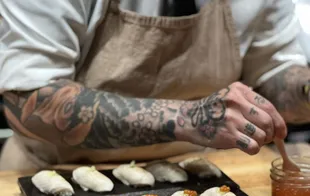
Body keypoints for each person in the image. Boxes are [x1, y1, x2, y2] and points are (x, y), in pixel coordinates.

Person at [0, 0, 309, 170]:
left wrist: (303, 89)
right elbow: (28, 101)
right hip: (55, 173)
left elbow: (272, 76)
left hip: (196, 173)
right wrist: (191, 119)